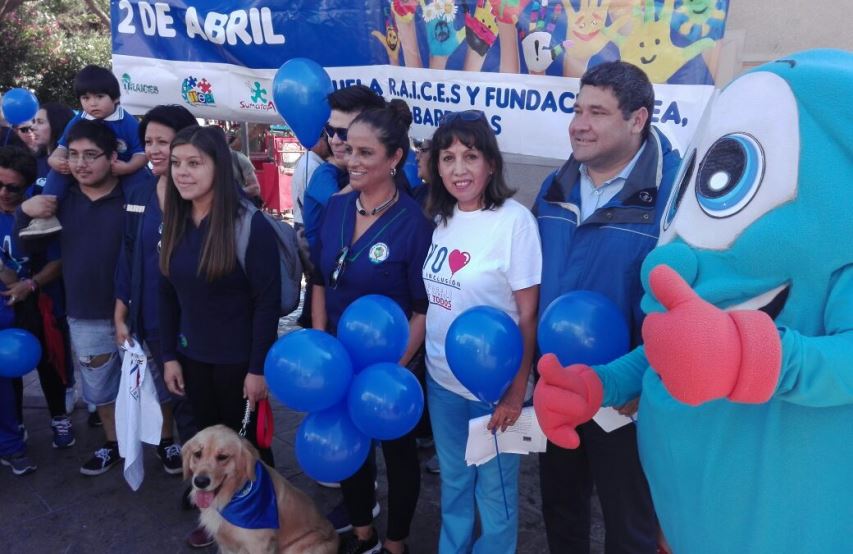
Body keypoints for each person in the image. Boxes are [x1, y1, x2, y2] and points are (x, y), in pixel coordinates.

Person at [533, 61, 680, 554]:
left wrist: (640, 382)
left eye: (597, 112)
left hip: (628, 398)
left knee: (629, 523)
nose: (579, 123)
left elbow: (681, 304)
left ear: (637, 120)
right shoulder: (554, 188)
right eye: (577, 109)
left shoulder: (674, 197)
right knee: (560, 506)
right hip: (557, 380)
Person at [311, 100, 433, 554]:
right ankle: (362, 534)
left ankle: (396, 542)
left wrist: (396, 367)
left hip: (392, 365)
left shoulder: (415, 225)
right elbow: (319, 277)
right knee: (349, 447)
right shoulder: (337, 209)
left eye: (365, 153)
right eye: (348, 149)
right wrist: (322, 341)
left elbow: (422, 307)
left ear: (394, 158)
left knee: (398, 456)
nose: (352, 160)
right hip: (339, 361)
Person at [421, 110, 541, 554]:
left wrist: (515, 392)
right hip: (442, 381)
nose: (458, 169)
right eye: (448, 157)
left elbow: (528, 316)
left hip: (496, 389)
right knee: (454, 483)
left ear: (490, 163)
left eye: (470, 156)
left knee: (497, 495)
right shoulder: (443, 218)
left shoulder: (514, 222)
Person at [16, 119, 153, 476]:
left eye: (91, 155)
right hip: (86, 313)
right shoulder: (58, 200)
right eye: (74, 155)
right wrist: (23, 211)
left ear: (112, 158)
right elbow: (22, 240)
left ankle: (166, 441)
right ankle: (115, 444)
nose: (80, 164)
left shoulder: (134, 196)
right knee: (100, 388)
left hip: (140, 311)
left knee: (153, 379)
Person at [113, 104, 199, 478]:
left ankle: (210, 484)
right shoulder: (139, 190)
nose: (155, 150)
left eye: (164, 141)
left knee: (196, 405)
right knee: (172, 396)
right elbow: (128, 252)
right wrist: (121, 311)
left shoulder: (201, 193)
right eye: (148, 141)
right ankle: (188, 466)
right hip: (150, 318)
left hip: (198, 325)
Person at [0, 145, 74, 450]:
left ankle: (60, 418)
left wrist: (29, 284)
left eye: (12, 187)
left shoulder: (38, 210)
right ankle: (15, 424)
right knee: (8, 366)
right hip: (4, 307)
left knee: (49, 361)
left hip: (41, 302)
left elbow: (59, 261)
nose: (3, 192)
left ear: (27, 186)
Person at [20, 65, 147, 238]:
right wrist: (55, 161)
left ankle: (139, 222)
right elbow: (62, 148)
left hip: (122, 167)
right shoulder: (78, 120)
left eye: (99, 97)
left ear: (116, 98)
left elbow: (142, 153)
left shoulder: (128, 122)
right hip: (87, 168)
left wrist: (128, 167)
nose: (92, 103)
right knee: (56, 175)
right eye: (85, 98)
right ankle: (45, 218)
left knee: (140, 182)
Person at [302, 84, 386, 251]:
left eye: (343, 133)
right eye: (329, 130)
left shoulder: (394, 186)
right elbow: (338, 206)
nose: (333, 140)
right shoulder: (324, 173)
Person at [291, 135, 330, 329]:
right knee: (315, 277)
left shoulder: (309, 161)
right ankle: (309, 319)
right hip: (306, 227)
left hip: (302, 225)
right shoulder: (313, 165)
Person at [30, 102, 75, 180]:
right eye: (34, 122)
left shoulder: (71, 165)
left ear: (57, 124)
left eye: (40, 122)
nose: (32, 127)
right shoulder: (33, 162)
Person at [227, 132, 262, 201]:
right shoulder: (207, 162)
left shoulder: (238, 158)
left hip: (236, 207)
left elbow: (255, 188)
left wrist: (233, 193)